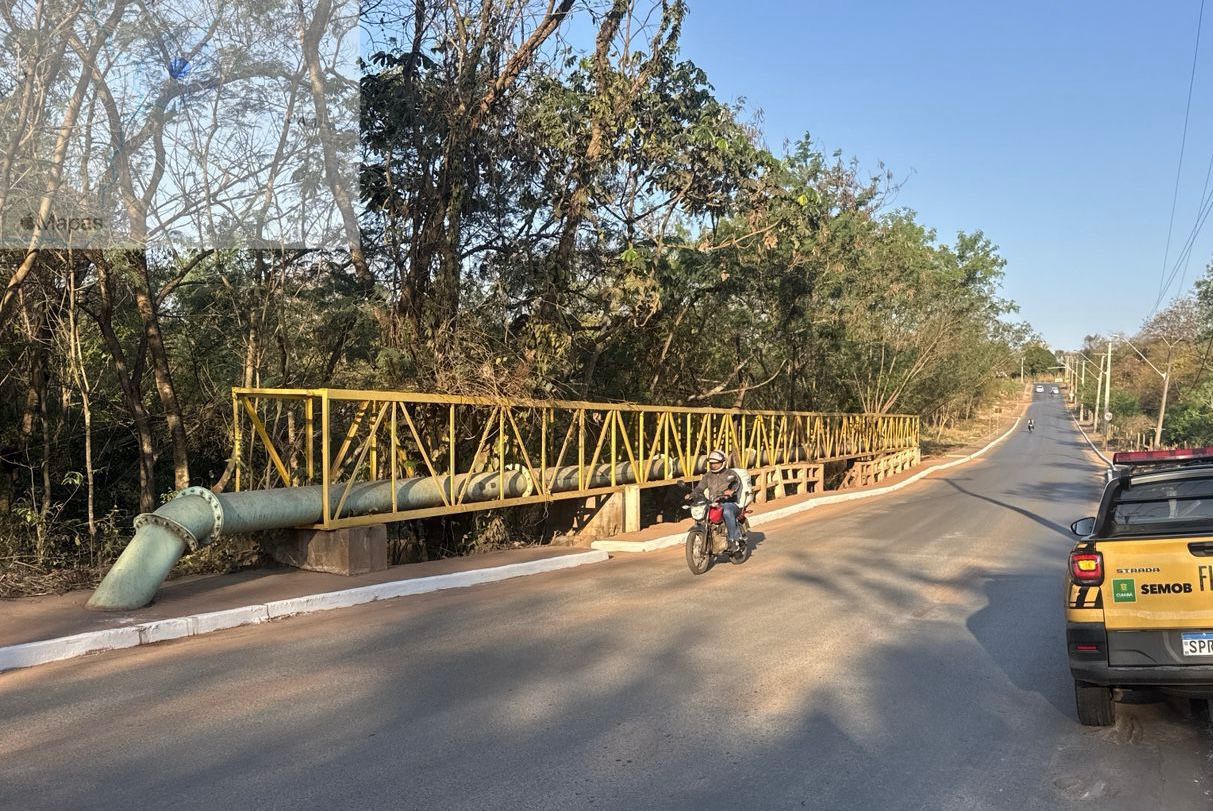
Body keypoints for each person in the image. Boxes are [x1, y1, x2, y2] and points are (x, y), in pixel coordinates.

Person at [687, 449, 742, 550]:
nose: (714, 465)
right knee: (703, 515)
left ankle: (733, 540)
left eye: (716, 463)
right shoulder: (708, 475)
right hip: (713, 503)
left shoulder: (730, 473)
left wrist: (731, 491)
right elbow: (700, 487)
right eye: (712, 463)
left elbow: (736, 483)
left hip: (729, 502)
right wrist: (692, 494)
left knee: (727, 512)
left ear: (723, 462)